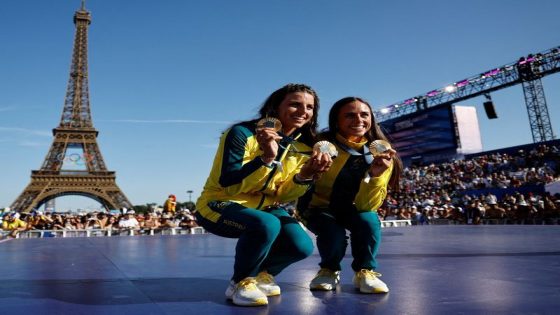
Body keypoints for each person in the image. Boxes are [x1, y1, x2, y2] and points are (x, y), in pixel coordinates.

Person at [195, 83, 332, 306]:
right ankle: (241, 282)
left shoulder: (306, 147)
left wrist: (305, 176)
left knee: (302, 246)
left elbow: (283, 195)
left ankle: (262, 274)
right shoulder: (241, 133)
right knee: (266, 223)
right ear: (275, 107)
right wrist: (265, 158)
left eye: (309, 107)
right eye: (295, 104)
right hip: (219, 203)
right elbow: (230, 185)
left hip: (265, 207)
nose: (302, 111)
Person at [298, 96, 402, 294]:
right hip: (317, 207)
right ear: (336, 121)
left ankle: (365, 271)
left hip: (353, 208)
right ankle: (328, 270)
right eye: (350, 115)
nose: (359, 120)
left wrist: (375, 176)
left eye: (364, 115)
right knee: (333, 232)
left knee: (368, 220)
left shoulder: (382, 153)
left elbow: (366, 206)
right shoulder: (319, 145)